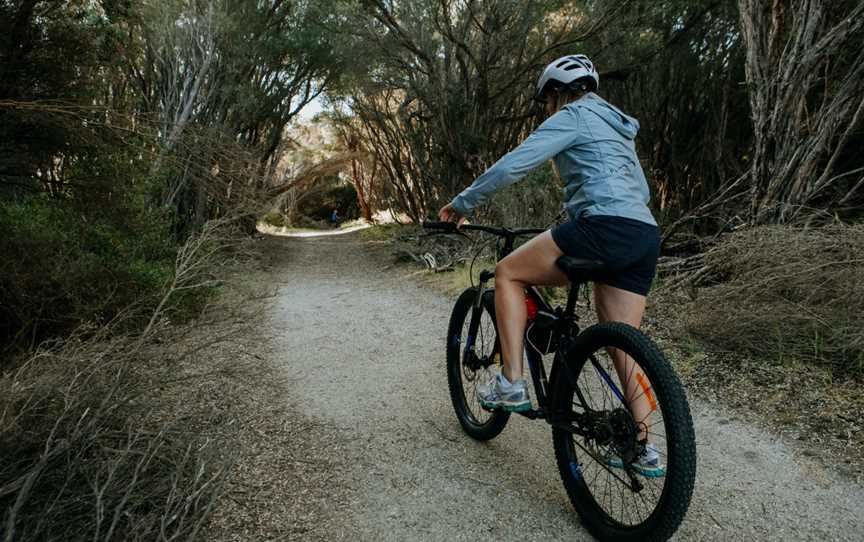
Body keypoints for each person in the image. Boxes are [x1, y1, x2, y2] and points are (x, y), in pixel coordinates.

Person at [438, 54, 663, 476]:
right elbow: (638, 189)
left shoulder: (575, 114)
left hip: (603, 226)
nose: (547, 108)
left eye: (546, 101)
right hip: (643, 235)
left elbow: (515, 164)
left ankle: (511, 383)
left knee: (508, 272)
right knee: (623, 346)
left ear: (557, 93)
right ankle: (643, 446)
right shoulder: (619, 126)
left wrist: (463, 203)